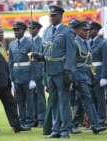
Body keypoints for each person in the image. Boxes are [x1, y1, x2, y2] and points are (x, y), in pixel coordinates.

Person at [30, 5, 76, 138]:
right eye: (51, 15)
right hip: (49, 70)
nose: (52, 18)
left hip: (62, 70)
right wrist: (40, 56)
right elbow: (46, 50)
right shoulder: (47, 31)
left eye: (55, 15)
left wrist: (68, 71)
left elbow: (71, 53)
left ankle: (65, 130)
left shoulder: (67, 32)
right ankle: (55, 129)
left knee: (64, 101)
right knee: (53, 101)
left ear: (61, 16)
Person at [0, 25, 31, 133]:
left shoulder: (1, 45)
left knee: (11, 104)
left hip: (5, 81)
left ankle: (16, 125)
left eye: (2, 33)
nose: (2, 35)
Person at [71, 21, 107, 134]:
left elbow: (88, 61)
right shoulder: (75, 42)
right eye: (84, 30)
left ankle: (74, 124)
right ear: (77, 31)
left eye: (88, 30)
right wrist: (75, 79)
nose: (87, 32)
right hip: (79, 75)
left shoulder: (85, 42)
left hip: (86, 75)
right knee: (87, 100)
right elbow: (72, 63)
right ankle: (96, 125)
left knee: (80, 101)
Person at [9, 21, 36, 129]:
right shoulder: (12, 44)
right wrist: (11, 78)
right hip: (16, 75)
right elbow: (10, 62)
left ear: (24, 31)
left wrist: (33, 78)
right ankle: (22, 120)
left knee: (29, 100)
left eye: (18, 30)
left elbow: (34, 62)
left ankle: (29, 121)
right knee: (19, 100)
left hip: (27, 75)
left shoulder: (30, 43)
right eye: (15, 30)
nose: (16, 32)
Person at [88, 21, 107, 128]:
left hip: (99, 73)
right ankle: (94, 121)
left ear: (96, 31)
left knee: (100, 99)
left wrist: (104, 77)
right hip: (89, 74)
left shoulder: (103, 43)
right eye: (88, 29)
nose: (89, 31)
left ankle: (101, 120)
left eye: (91, 30)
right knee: (91, 99)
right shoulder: (87, 42)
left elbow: (106, 61)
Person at [28, 21, 46, 128]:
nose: (31, 30)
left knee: (40, 97)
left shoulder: (41, 41)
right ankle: (33, 118)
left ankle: (41, 119)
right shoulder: (27, 42)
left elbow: (42, 55)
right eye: (29, 28)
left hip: (38, 71)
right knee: (31, 98)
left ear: (38, 29)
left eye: (33, 28)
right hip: (29, 73)